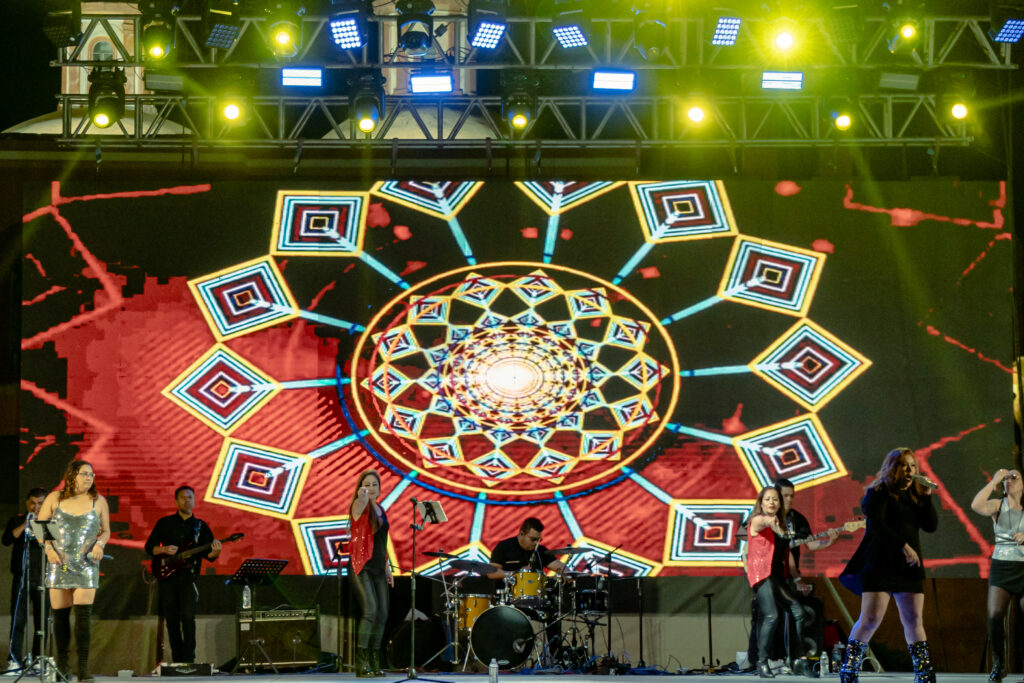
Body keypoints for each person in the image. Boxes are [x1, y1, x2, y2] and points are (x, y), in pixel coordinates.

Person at [838, 447, 938, 683]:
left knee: (914, 619)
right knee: (871, 618)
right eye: (904, 465)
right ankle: (849, 669)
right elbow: (879, 526)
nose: (909, 471)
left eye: (912, 466)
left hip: (908, 566)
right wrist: (903, 545)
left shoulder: (915, 495)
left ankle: (924, 673)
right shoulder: (877, 493)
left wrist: (926, 497)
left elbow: (930, 526)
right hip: (880, 563)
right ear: (893, 468)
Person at [38, 461, 111, 683]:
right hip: (59, 563)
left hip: (86, 563)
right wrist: (49, 549)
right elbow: (41, 526)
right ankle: (63, 667)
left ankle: (83, 668)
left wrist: (100, 545)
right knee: (60, 617)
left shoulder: (98, 500)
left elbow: (106, 531)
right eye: (84, 474)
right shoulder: (55, 498)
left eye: (92, 474)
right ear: (72, 476)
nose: (89, 478)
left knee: (83, 616)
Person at [144, 486, 222, 664]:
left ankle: (189, 659)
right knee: (171, 619)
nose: (187, 501)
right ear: (176, 501)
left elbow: (208, 554)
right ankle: (178, 659)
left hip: (188, 578)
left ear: (194, 500)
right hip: (167, 577)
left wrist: (215, 553)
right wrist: (163, 549)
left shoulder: (200, 527)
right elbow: (149, 547)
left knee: (188, 618)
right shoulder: (164, 523)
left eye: (190, 498)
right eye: (183, 498)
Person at [746, 485, 815, 678]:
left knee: (799, 613)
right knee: (772, 616)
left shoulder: (782, 525)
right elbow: (764, 521)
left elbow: (787, 555)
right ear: (761, 502)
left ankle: (799, 660)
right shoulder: (757, 520)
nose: (771, 502)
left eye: (775, 499)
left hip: (777, 576)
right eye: (767, 499)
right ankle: (762, 662)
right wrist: (772, 522)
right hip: (761, 574)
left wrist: (797, 578)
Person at [971, 467, 1024, 681]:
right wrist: (994, 481)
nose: (1009, 480)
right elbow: (976, 505)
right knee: (994, 614)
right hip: (1002, 566)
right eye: (1006, 478)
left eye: (1014, 477)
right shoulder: (997, 505)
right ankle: (999, 664)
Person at [348, 470, 393, 678]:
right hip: (362, 567)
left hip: (378, 569)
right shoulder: (358, 506)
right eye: (366, 484)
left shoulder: (380, 509)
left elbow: (382, 542)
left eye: (374, 484)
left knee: (382, 614)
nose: (371, 488)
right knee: (370, 612)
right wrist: (362, 496)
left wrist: (388, 567)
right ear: (360, 487)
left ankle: (374, 661)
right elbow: (361, 501)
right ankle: (362, 663)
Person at [3, 488, 47, 673]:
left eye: (40, 504)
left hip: (42, 577)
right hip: (21, 577)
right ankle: (14, 660)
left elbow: (54, 544)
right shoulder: (17, 520)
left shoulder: (50, 522)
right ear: (27, 503)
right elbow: (6, 540)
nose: (36, 507)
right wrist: (25, 523)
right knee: (18, 620)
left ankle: (38, 659)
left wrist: (39, 524)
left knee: (41, 621)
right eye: (33, 503)